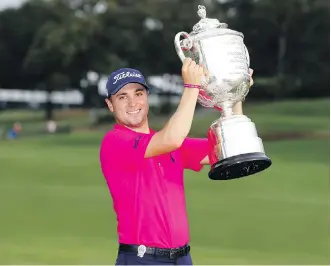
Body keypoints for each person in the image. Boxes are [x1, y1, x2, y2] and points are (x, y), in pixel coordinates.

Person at [99, 58, 254, 265]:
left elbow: (229, 147)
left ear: (147, 97)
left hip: (182, 259)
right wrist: (191, 87)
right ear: (110, 105)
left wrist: (234, 95)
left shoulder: (170, 144)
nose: (133, 103)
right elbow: (171, 138)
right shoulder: (115, 142)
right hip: (142, 259)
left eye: (138, 94)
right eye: (122, 97)